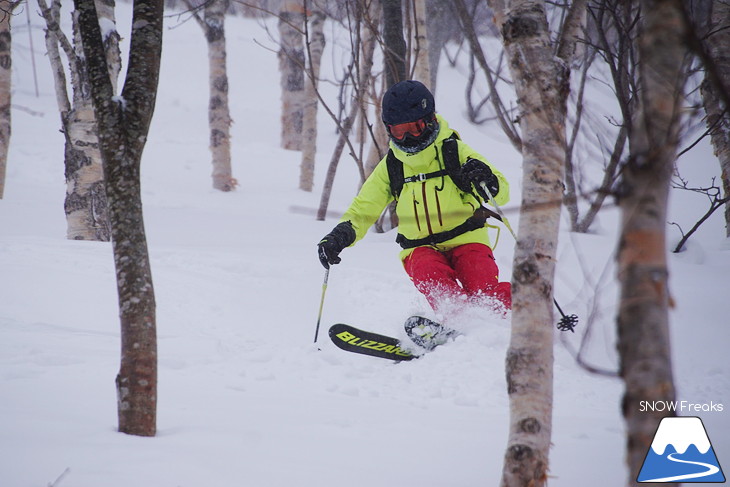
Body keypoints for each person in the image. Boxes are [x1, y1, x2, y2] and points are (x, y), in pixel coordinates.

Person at [317, 80, 511, 317]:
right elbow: (365, 207)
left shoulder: (455, 151)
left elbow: (502, 192)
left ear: (430, 120)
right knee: (433, 277)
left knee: (484, 292)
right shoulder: (393, 166)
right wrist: (340, 236)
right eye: (400, 131)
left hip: (467, 239)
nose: (408, 138)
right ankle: (458, 323)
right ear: (389, 130)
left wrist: (486, 179)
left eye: (415, 128)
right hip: (419, 248)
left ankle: (525, 313)